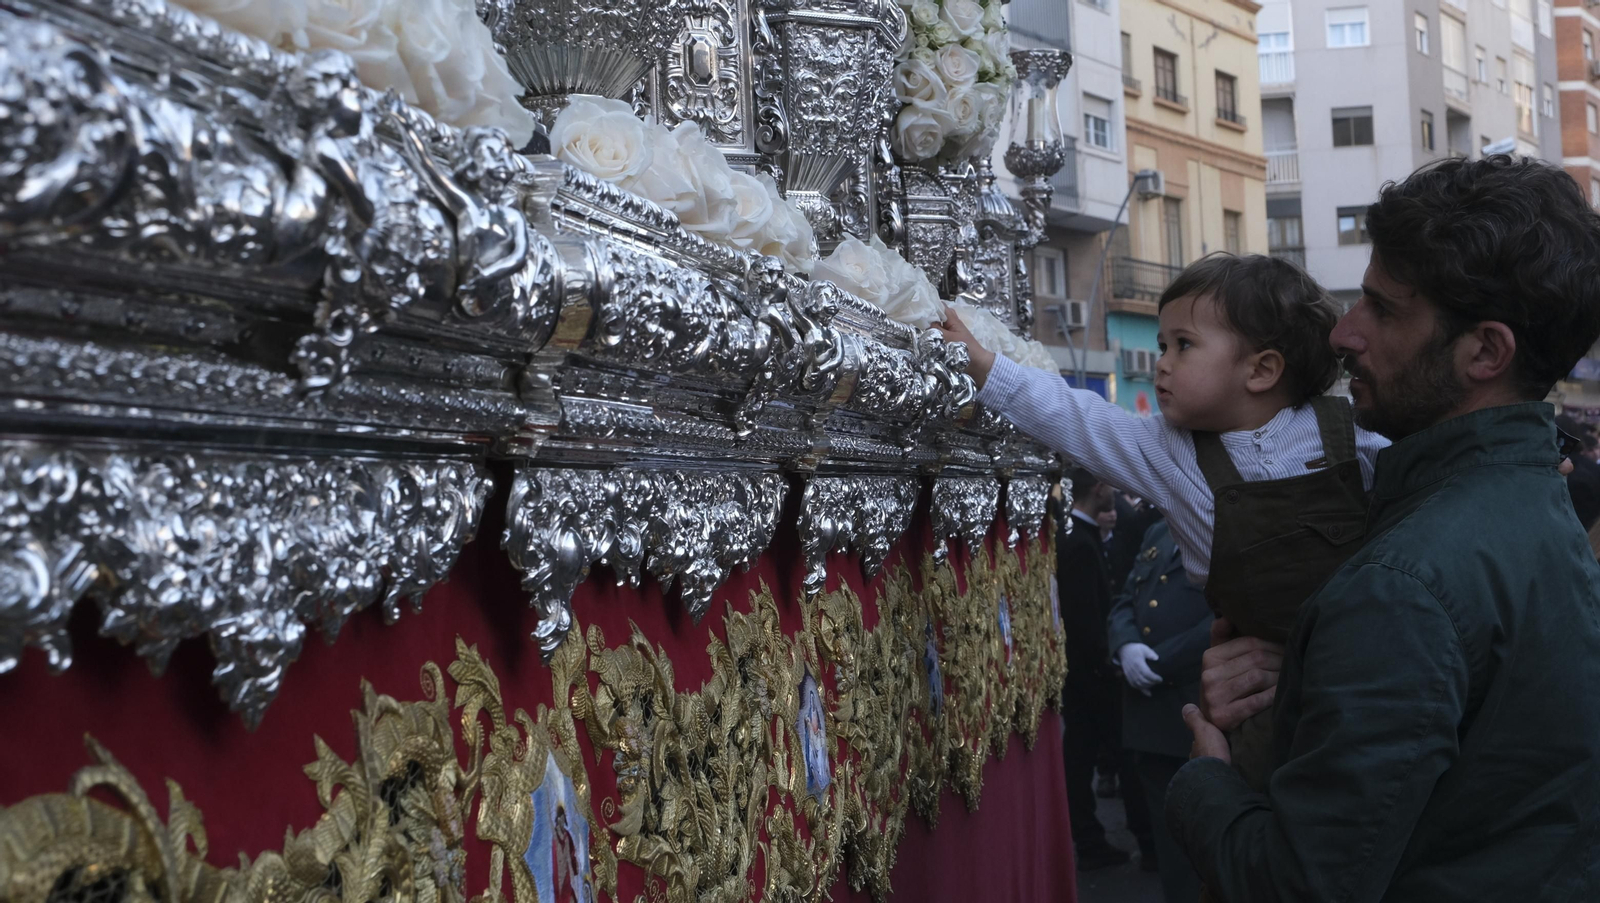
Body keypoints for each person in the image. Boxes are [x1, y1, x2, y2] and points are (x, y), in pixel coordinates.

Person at [1173, 155, 1600, 901]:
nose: (1343, 333)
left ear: (1485, 352)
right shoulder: (1539, 501)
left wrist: (1206, 781)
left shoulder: (1403, 585)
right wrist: (1301, 668)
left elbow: (1300, 883)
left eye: (1383, 309)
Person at [939, 253, 1388, 795]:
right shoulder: (1168, 452)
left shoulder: (1355, 436)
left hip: (1369, 682)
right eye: (1162, 346)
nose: (1162, 363)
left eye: (1184, 345)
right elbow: (1077, 417)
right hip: (1261, 705)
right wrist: (986, 367)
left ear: (1262, 370)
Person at [1106, 519, 1213, 903]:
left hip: (1198, 711)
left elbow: (1224, 614)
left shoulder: (1225, 522)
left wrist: (1156, 662)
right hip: (1150, 717)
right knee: (1172, 856)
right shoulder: (1158, 531)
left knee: (1203, 852)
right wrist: (1125, 645)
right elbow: (1124, 600)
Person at [1056, 468, 1139, 870]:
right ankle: (1091, 838)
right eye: (1110, 485)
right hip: (1091, 674)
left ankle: (1091, 838)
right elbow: (1085, 619)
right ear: (1099, 488)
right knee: (1096, 755)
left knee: (1085, 753)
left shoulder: (1079, 536)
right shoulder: (1079, 543)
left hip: (1088, 671)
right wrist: (1105, 667)